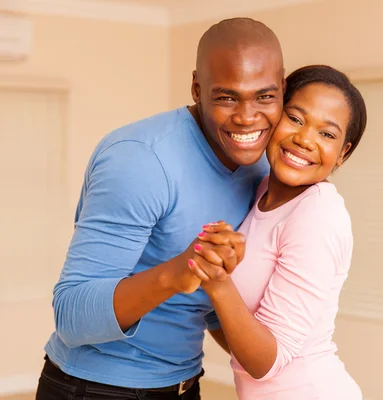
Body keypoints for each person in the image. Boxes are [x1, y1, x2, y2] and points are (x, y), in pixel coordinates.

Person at [36, 18, 285, 400]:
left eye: (264, 97)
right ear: (197, 88)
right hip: (98, 389)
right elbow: (71, 316)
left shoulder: (262, 165)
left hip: (184, 383)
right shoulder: (140, 160)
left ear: (282, 88)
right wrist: (177, 272)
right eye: (227, 97)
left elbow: (211, 304)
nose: (247, 117)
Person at [189, 65, 367, 399]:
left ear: (342, 152)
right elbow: (244, 334)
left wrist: (216, 282)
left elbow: (266, 363)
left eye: (327, 134)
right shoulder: (261, 192)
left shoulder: (318, 215)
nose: (304, 139)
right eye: (296, 119)